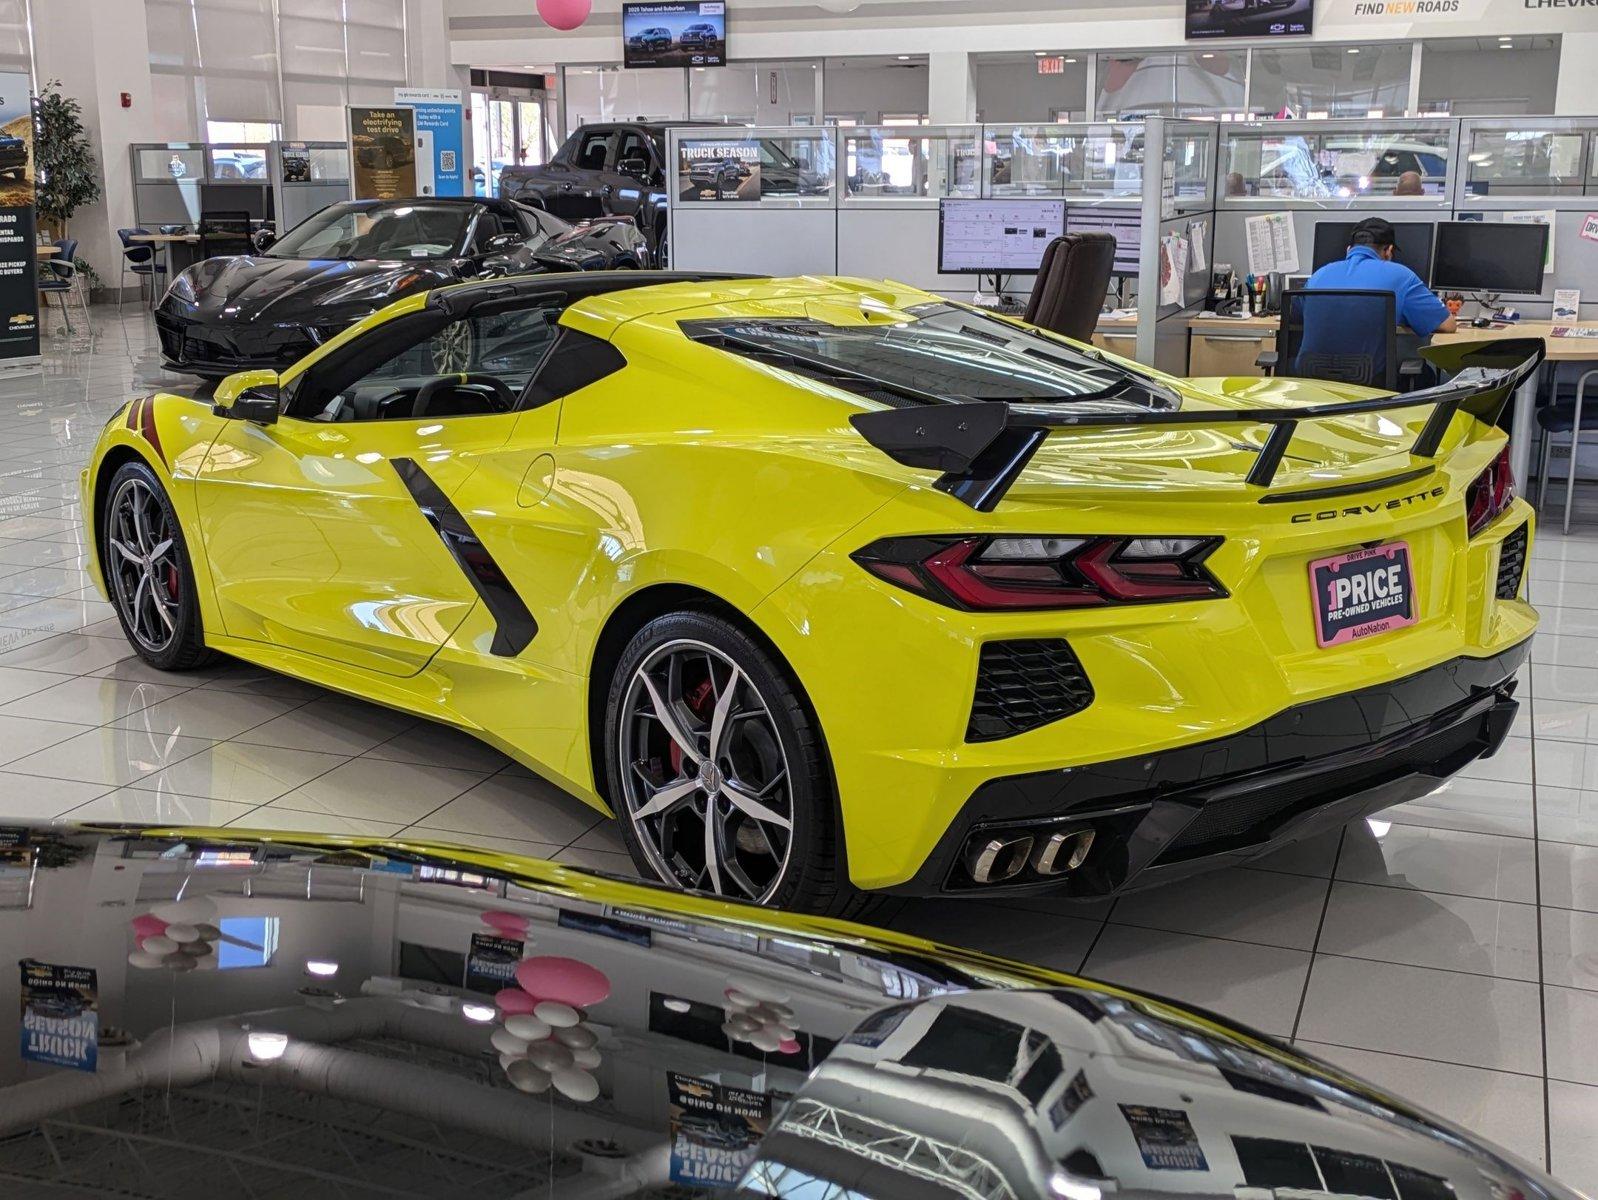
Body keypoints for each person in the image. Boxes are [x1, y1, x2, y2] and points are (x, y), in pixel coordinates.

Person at [1306, 216, 1455, 337]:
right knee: (1425, 372)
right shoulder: (1402, 276)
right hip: (1367, 372)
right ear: (1389, 250)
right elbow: (1447, 325)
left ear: (1349, 249)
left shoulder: (1318, 275)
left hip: (1306, 372)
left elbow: (1295, 316)